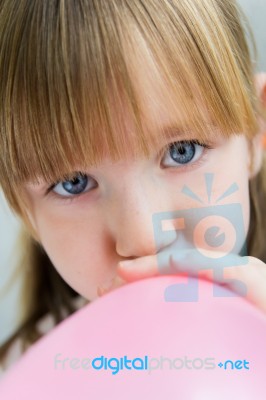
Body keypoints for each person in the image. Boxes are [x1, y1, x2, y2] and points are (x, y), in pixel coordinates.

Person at [0, 0, 266, 373]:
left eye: (182, 151)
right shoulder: (25, 376)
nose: (143, 239)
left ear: (256, 132)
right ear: (24, 210)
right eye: (74, 184)